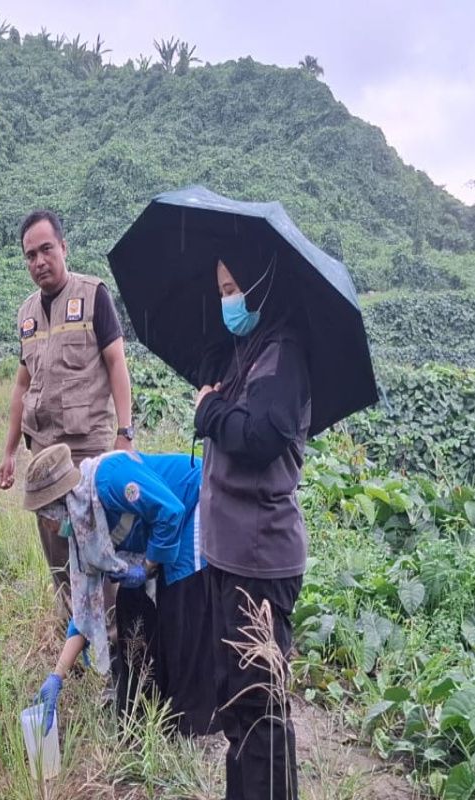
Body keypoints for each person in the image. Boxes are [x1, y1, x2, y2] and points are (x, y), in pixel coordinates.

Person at [195, 248, 311, 800]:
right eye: (221, 292)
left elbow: (262, 436)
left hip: (260, 562)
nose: (228, 301)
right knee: (238, 707)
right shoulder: (248, 351)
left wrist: (210, 413)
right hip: (229, 557)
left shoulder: (284, 355)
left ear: (263, 286)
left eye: (233, 288)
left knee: (261, 711)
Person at [24, 444, 219, 737]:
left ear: (61, 503)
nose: (46, 526)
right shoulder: (85, 530)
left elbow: (171, 510)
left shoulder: (109, 481)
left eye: (45, 516)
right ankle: (150, 711)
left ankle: (191, 721)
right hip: (164, 525)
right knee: (132, 609)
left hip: (197, 501)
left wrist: (150, 564)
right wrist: (57, 676)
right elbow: (87, 609)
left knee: (181, 603)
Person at [0, 209, 135, 613]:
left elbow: (116, 364)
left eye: (46, 250)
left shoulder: (93, 295)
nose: (39, 261)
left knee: (96, 542)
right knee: (55, 546)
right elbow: (22, 385)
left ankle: (110, 638)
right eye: (30, 255)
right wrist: (7, 452)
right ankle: (72, 631)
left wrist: (124, 434)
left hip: (87, 450)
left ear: (63, 247)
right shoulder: (25, 314)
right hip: (43, 453)